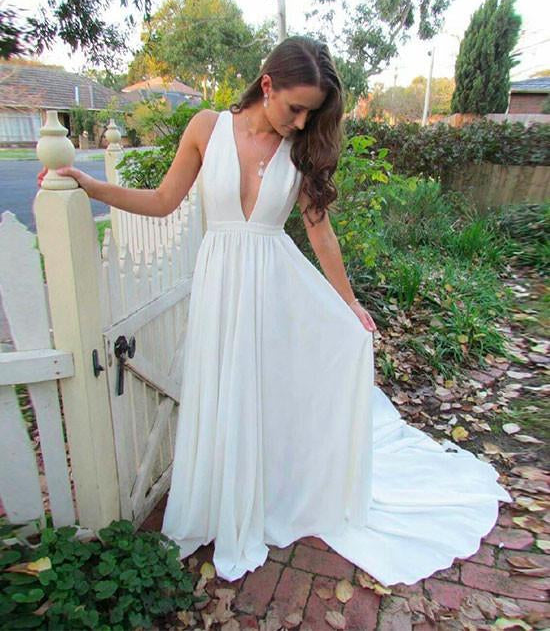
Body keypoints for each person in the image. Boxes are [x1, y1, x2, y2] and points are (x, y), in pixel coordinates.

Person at [38, 35, 512, 587]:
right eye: (296, 107)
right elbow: (163, 200)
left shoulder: (300, 149)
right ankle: (221, 500)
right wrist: (93, 186)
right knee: (222, 387)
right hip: (220, 285)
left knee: (261, 392)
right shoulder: (205, 128)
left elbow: (320, 231)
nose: (302, 120)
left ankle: (262, 495)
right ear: (267, 85)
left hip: (272, 289)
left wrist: (350, 303)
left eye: (312, 112)